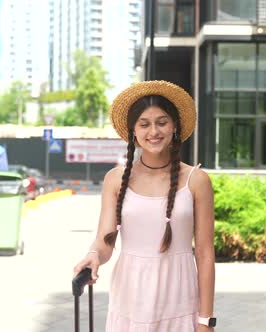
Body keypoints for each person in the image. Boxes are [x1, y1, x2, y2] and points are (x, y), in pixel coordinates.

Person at [73, 81, 216, 331]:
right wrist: (93, 256)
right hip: (130, 297)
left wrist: (206, 320)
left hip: (179, 299)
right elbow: (105, 241)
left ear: (174, 127)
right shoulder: (115, 180)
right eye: (144, 124)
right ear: (133, 132)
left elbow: (205, 254)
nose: (154, 131)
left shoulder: (197, 180)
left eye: (162, 122)